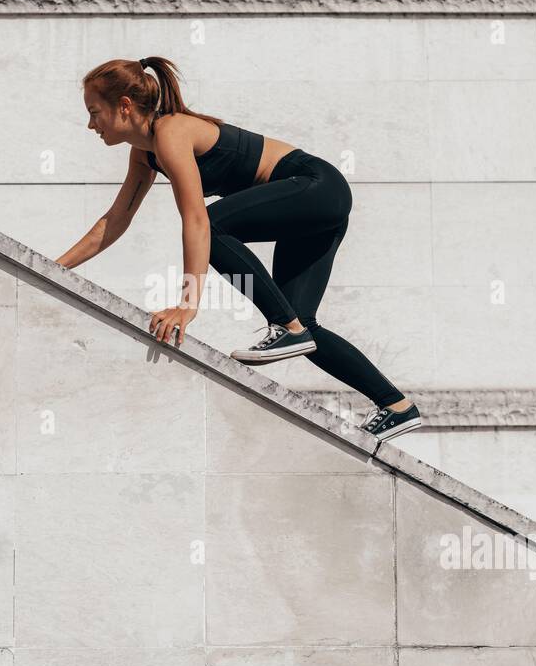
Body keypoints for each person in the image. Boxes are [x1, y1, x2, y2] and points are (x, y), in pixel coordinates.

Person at [58, 56, 422, 442]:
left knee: (214, 227)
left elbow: (197, 219)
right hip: (316, 205)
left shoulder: (171, 132)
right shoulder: (144, 155)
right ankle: (396, 407)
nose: (90, 124)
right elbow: (114, 221)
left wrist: (188, 304)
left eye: (95, 112)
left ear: (125, 106)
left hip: (316, 186)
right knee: (305, 325)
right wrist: (53, 268)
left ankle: (286, 327)